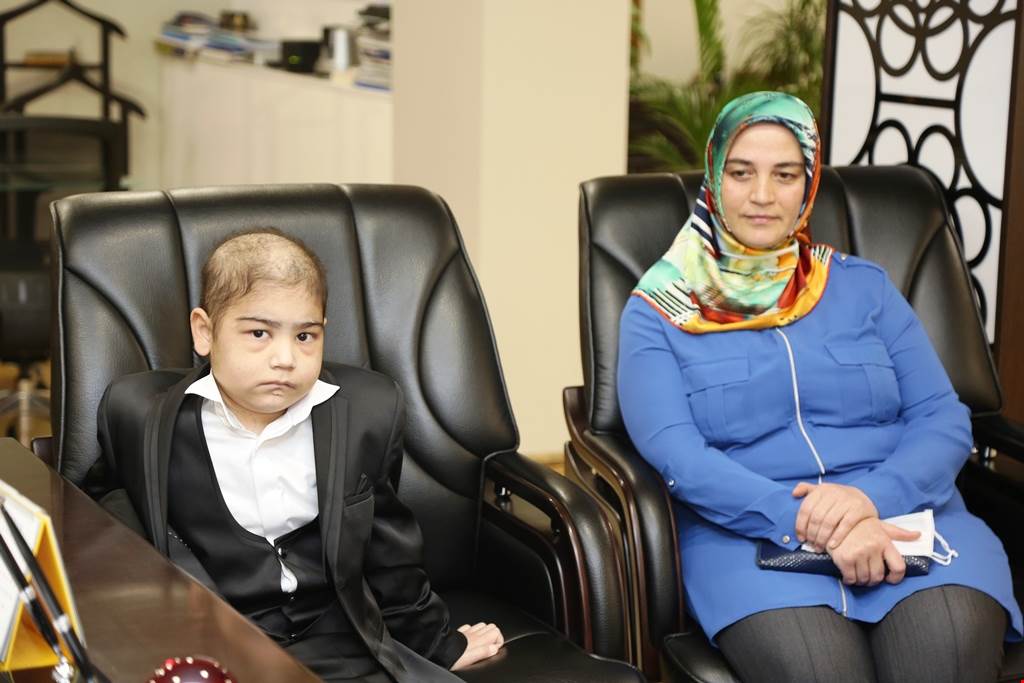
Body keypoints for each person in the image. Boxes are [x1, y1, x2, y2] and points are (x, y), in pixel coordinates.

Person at [617, 91, 1022, 682]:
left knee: (947, 658)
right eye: (741, 172)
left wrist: (869, 500)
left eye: (785, 175)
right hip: (749, 540)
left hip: (907, 521)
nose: (762, 195)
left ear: (808, 186)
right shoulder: (659, 310)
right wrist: (807, 519)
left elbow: (942, 416)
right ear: (713, 177)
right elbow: (676, 453)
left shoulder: (864, 287)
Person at [96, 229, 503, 682]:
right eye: (259, 333)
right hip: (219, 640)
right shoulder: (138, 415)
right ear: (205, 331)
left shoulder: (368, 409)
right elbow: (97, 522)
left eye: (305, 335)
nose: (286, 358)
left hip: (340, 637)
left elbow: (390, 549)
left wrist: (436, 644)